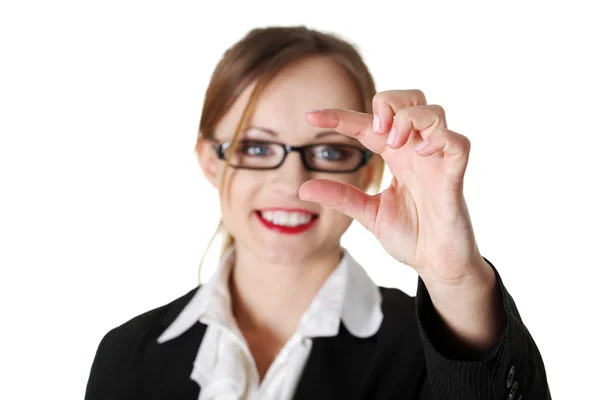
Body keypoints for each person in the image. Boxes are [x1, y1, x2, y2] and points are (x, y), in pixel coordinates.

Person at [84, 26, 551, 399]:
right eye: (257, 146)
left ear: (370, 169)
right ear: (211, 159)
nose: (291, 183)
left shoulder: (433, 349)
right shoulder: (127, 356)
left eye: (328, 152)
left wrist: (454, 279)